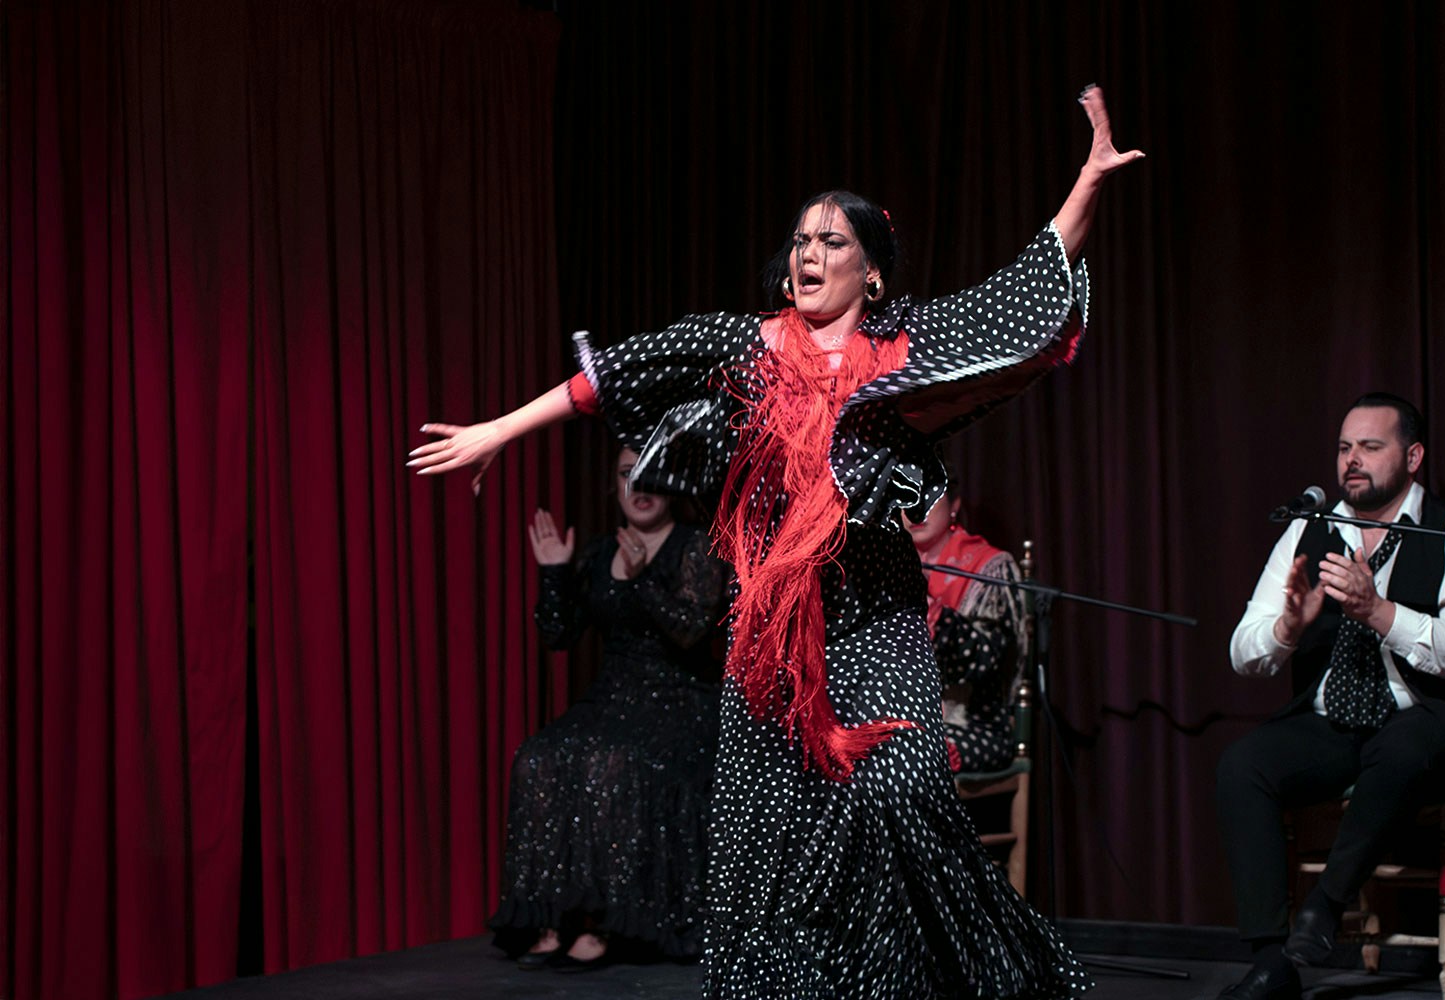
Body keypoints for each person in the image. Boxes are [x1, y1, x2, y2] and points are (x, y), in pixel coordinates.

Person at [411, 85, 1142, 998]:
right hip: (772, 630)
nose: (809, 253)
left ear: (871, 271)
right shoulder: (746, 346)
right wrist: (496, 431)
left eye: (833, 241)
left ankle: (939, 978)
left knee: (900, 799)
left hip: (873, 614)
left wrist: (1088, 183)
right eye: (801, 240)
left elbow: (1021, 292)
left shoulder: (908, 345)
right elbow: (616, 372)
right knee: (765, 837)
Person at [1216, 392, 1445, 1000]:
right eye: (1345, 447)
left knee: (1402, 746)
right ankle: (1273, 961)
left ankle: (1325, 906)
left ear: (1413, 456)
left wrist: (1378, 612)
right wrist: (1287, 629)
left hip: (1431, 719)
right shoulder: (1309, 529)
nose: (1352, 460)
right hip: (1338, 724)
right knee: (1244, 765)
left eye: (1371, 447)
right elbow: (1244, 648)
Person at [487, 447, 729, 972]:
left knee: (614, 764)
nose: (639, 486)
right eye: (627, 474)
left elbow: (692, 634)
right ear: (614, 485)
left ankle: (602, 924)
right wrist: (553, 573)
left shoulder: (697, 546)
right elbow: (558, 634)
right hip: (612, 698)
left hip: (681, 700)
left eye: (652, 475)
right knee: (536, 757)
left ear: (674, 485)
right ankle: (554, 919)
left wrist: (642, 580)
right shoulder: (599, 553)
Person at [904, 487, 1027, 774]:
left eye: (928, 499)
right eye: (906, 499)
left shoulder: (988, 567)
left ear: (954, 504)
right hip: (900, 720)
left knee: (904, 757)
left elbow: (990, 661)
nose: (915, 509)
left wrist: (937, 617)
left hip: (973, 725)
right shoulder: (884, 563)